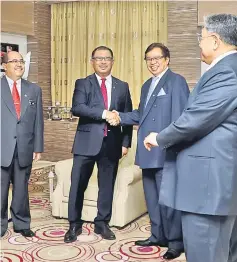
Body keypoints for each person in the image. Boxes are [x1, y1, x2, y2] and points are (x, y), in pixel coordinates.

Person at [144, 14, 237, 262]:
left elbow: (197, 117)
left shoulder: (227, 71)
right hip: (216, 180)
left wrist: (160, 137)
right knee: (222, 250)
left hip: (207, 185)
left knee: (205, 251)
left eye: (202, 37)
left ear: (215, 40)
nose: (199, 43)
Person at [108, 43, 189, 260]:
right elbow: (140, 115)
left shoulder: (176, 81)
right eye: (149, 59)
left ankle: (175, 242)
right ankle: (157, 235)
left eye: (157, 58)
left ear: (167, 59)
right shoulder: (146, 85)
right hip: (146, 151)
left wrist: (173, 147)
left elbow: (181, 119)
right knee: (151, 197)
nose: (152, 62)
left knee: (169, 200)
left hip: (166, 150)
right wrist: (119, 116)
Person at [64, 46, 133, 243]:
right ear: (92, 61)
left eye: (107, 58)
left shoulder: (122, 86)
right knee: (77, 185)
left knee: (107, 186)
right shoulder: (83, 83)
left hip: (111, 144)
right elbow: (77, 108)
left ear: (113, 61)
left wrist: (125, 142)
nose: (103, 62)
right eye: (99, 58)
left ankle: (102, 223)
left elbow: (126, 115)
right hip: (86, 143)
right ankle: (74, 225)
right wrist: (104, 114)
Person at [1, 51, 44, 237]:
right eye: (14, 61)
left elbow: (38, 122)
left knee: (21, 189)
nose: (19, 64)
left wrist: (38, 146)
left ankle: (22, 223)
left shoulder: (34, 89)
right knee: (0, 190)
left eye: (21, 61)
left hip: (25, 147)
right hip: (2, 147)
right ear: (4, 66)